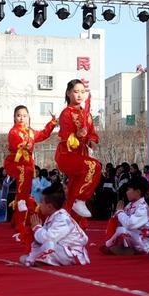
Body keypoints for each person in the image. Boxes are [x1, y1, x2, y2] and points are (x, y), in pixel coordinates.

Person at [3, 104, 57, 251]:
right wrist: (23, 144)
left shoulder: (32, 132)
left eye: (24, 115)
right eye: (18, 115)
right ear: (14, 118)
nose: (22, 118)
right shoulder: (14, 131)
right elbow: (14, 143)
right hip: (14, 162)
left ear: (29, 118)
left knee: (26, 195)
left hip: (27, 165)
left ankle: (21, 219)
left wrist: (52, 123)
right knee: (23, 183)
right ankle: (21, 202)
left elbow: (44, 134)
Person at [55, 79, 102, 221]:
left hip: (81, 156)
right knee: (94, 166)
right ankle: (81, 199)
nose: (80, 95)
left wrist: (92, 140)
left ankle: (67, 223)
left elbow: (92, 133)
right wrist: (76, 135)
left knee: (73, 188)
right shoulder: (66, 114)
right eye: (76, 92)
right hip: (67, 155)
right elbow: (65, 136)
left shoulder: (86, 114)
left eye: (83, 92)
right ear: (68, 93)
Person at [20, 184, 90, 267]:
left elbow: (48, 239)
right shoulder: (52, 217)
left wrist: (37, 228)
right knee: (36, 244)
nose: (39, 204)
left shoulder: (62, 219)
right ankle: (37, 259)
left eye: (41, 202)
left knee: (49, 244)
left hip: (72, 255)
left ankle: (39, 260)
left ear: (49, 206)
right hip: (62, 250)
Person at [102, 177, 149, 255]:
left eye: (128, 189)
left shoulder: (142, 208)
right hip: (137, 235)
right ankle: (124, 248)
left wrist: (120, 211)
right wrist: (118, 212)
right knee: (119, 229)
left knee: (122, 230)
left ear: (138, 192)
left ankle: (128, 249)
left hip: (146, 241)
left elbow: (130, 224)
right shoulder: (131, 204)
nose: (126, 192)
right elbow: (121, 220)